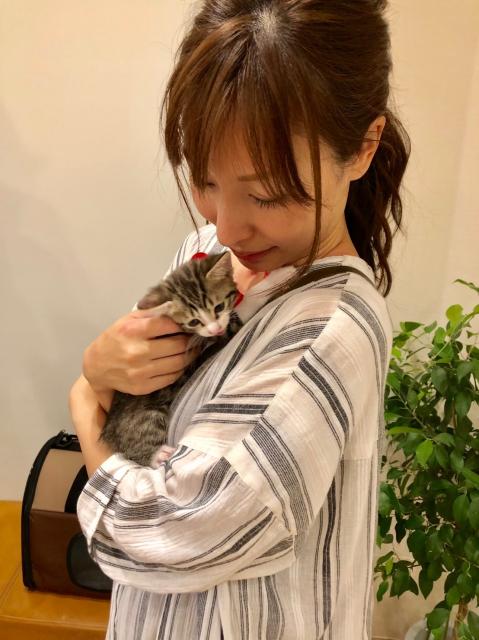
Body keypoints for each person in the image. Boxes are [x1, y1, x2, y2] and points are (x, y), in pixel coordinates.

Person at [68, 1, 410, 638]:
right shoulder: (211, 253)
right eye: (206, 181)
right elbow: (140, 387)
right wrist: (102, 363)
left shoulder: (329, 328)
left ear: (362, 148)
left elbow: (168, 527)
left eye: (266, 194)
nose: (226, 227)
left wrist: (85, 396)